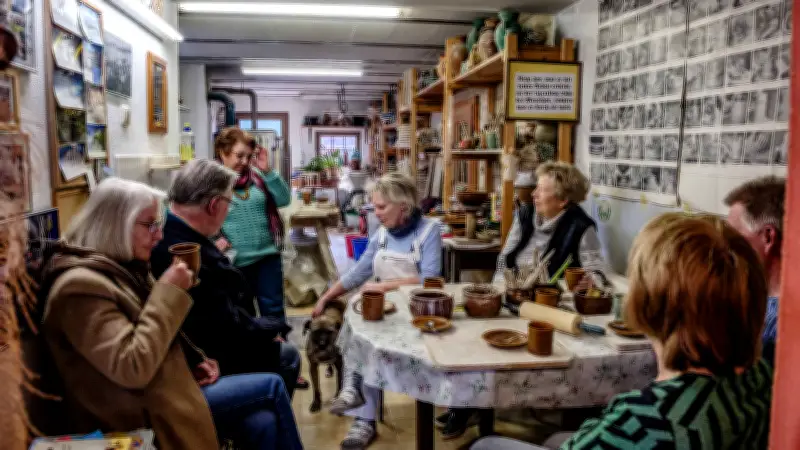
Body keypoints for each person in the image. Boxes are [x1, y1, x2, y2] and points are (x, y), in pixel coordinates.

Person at [472, 213, 773, 449]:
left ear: (645, 304)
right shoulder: (763, 377)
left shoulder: (645, 423)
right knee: (555, 438)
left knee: (485, 444)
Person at [40, 178, 218, 450]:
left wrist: (195, 358)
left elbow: (147, 328)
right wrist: (168, 291)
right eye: (150, 225)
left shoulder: (121, 267)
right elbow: (132, 366)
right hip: (139, 427)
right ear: (115, 225)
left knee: (261, 417)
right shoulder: (78, 287)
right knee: (268, 393)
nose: (159, 235)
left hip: (162, 405)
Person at [312, 172, 443, 449]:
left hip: (419, 314)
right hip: (389, 311)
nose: (376, 212)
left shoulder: (430, 232)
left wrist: (384, 287)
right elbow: (359, 272)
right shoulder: (382, 233)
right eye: (375, 206)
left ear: (403, 207)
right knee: (359, 326)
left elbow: (431, 280)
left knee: (371, 333)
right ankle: (362, 415)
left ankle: (354, 390)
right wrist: (326, 297)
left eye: (381, 206)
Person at [150, 159, 302, 396]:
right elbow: (225, 328)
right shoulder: (189, 256)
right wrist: (274, 328)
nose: (228, 211)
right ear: (213, 205)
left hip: (196, 347)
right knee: (288, 356)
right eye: (228, 203)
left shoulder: (165, 230)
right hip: (207, 356)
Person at [213, 127, 292, 323]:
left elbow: (283, 199)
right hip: (236, 262)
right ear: (223, 152)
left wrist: (267, 170)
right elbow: (198, 217)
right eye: (239, 156)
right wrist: (215, 238)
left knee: (273, 312)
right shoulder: (211, 183)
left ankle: (278, 352)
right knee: (242, 316)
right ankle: (251, 354)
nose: (245, 162)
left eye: (248, 156)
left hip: (268, 258)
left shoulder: (258, 177)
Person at [725, 176, 785, 365]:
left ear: (768, 237)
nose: (726, 247)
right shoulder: (755, 296)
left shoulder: (780, 321)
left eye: (735, 237)